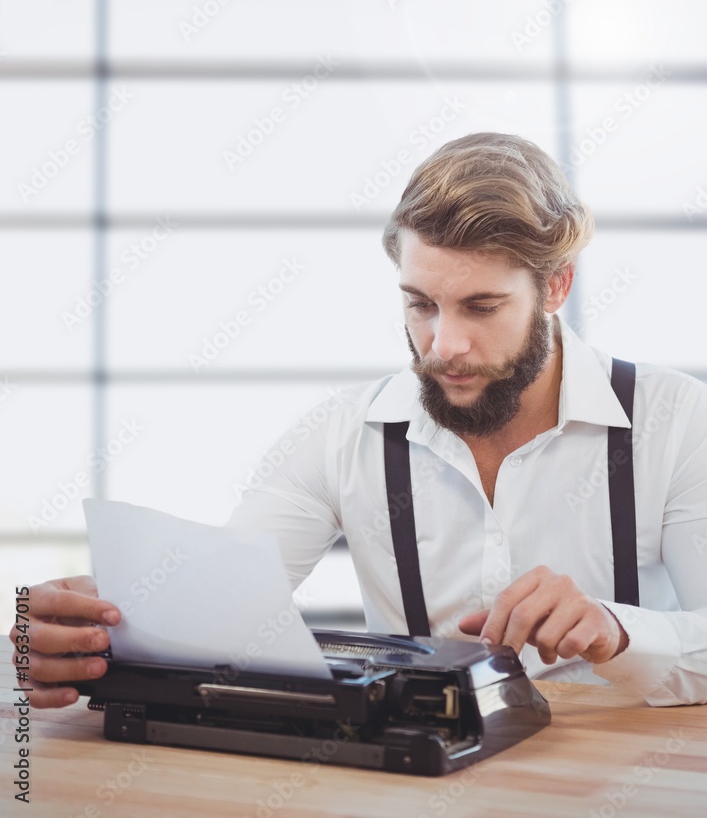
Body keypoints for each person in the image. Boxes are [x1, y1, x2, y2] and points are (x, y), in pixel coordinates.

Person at [16, 132, 707, 708]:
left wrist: (616, 632)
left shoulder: (675, 421)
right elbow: (213, 615)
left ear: (555, 286)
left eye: (481, 307)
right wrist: (77, 636)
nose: (443, 346)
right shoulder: (342, 434)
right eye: (420, 304)